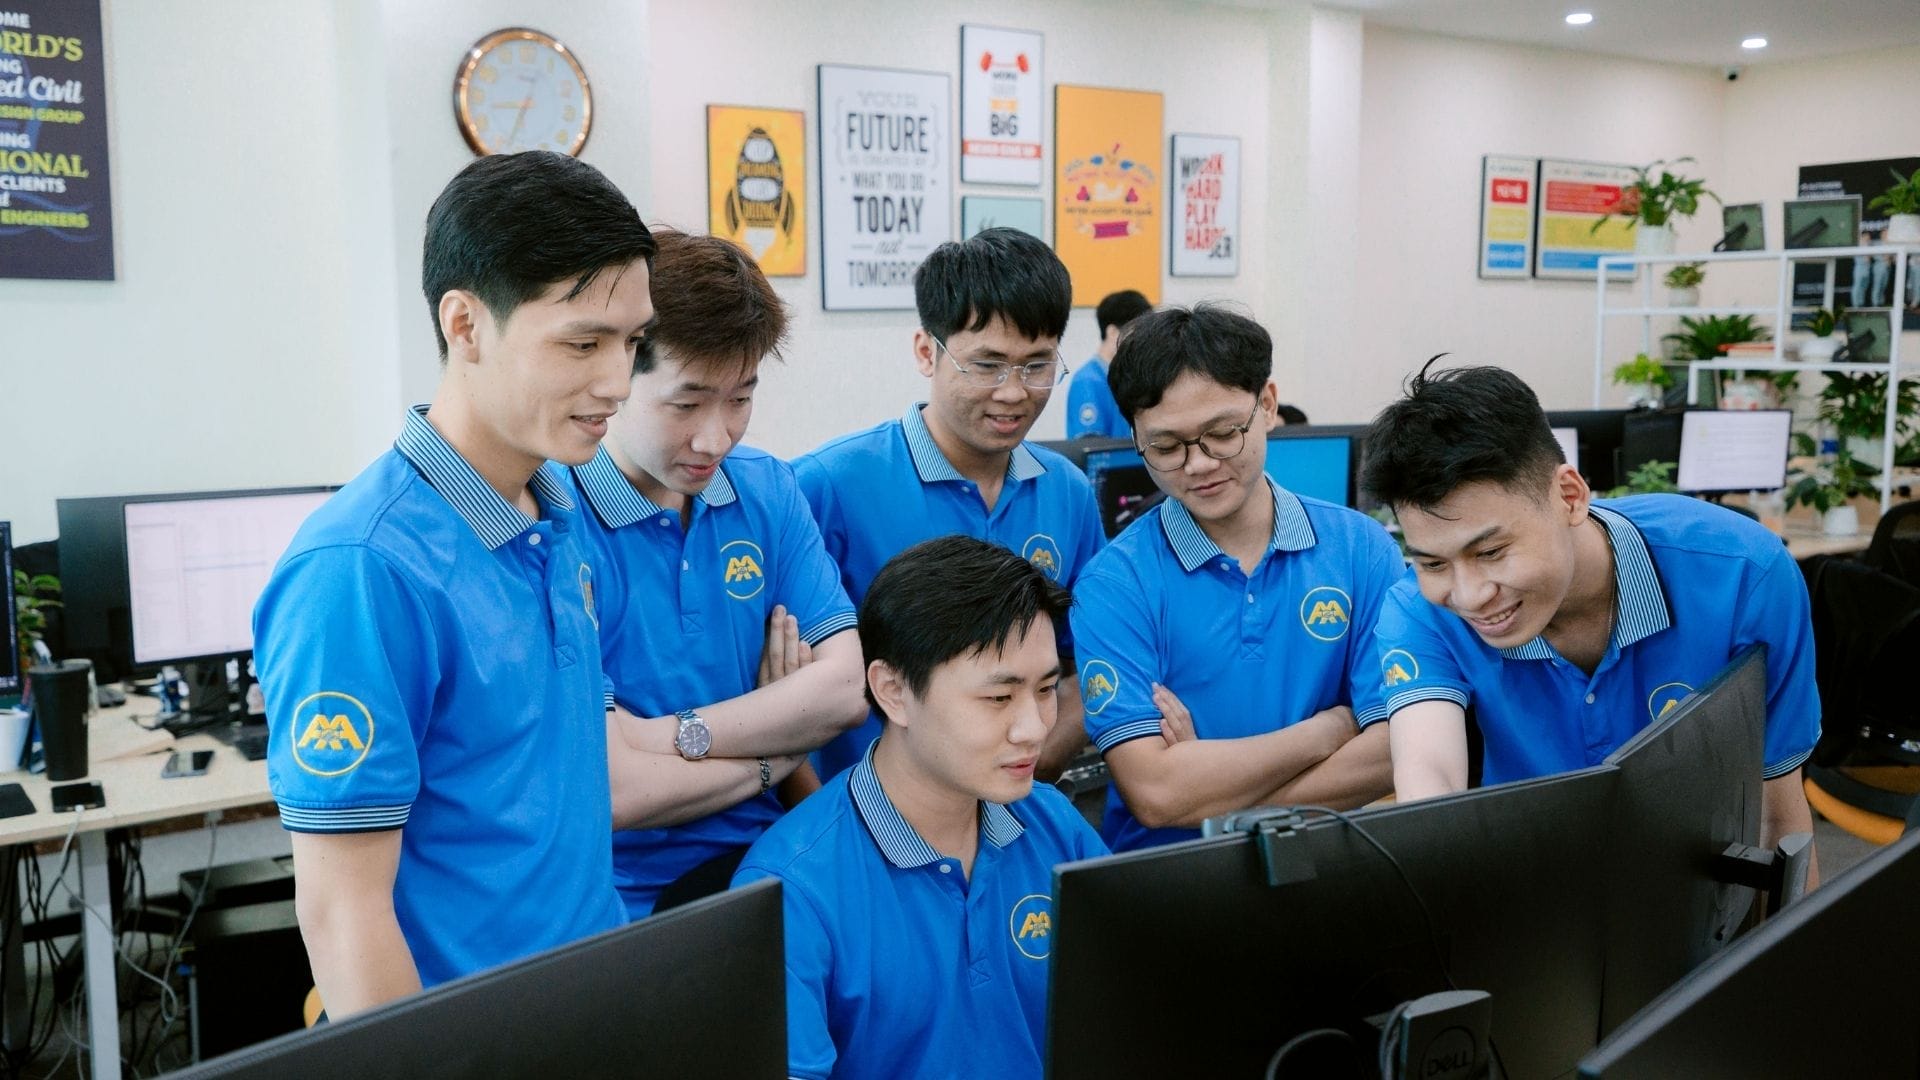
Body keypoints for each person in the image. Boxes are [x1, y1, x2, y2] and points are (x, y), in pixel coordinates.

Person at [253, 151, 654, 1016]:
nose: (619, 382)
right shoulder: (360, 570)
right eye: (583, 343)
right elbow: (342, 913)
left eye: (632, 343)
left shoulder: (560, 508)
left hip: (594, 995)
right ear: (466, 325)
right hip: (475, 1034)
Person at [1362, 363, 1819, 875]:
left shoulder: (1743, 573)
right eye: (1432, 563)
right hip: (1529, 887)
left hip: (1698, 886)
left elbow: (1778, 818)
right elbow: (1430, 780)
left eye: (1490, 552)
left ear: (1570, 497)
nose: (1470, 596)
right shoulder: (1418, 609)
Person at [566, 229, 866, 919]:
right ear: (617, 374)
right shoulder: (557, 517)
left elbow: (844, 690)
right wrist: (778, 746)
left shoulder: (766, 488)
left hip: (776, 861)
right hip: (619, 895)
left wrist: (665, 735)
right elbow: (614, 791)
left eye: (740, 399)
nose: (716, 438)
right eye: (687, 403)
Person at [733, 536, 1106, 1080]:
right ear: (892, 691)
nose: (1033, 729)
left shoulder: (1055, 826)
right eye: (999, 698)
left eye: (1046, 690)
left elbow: (1124, 1013)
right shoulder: (791, 891)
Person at [1069, 305, 1401, 851]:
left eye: (1223, 434)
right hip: (1168, 877)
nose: (1198, 464)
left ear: (1266, 405)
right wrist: (1327, 731)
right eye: (1166, 446)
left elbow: (1391, 752)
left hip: (1329, 860)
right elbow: (1155, 794)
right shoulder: (1115, 583)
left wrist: (1211, 796)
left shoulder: (1361, 549)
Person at [794, 227, 1104, 783]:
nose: (1013, 392)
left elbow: (1090, 661)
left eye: (1037, 365)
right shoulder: (828, 486)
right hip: (864, 809)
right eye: (986, 365)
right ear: (925, 351)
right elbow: (782, 681)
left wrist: (1028, 771)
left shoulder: (1067, 492)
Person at [1065, 289, 1152, 439]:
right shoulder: (1088, 381)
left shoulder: (1131, 379)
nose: (1144, 342)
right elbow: (1090, 445)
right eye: (1138, 333)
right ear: (1112, 332)